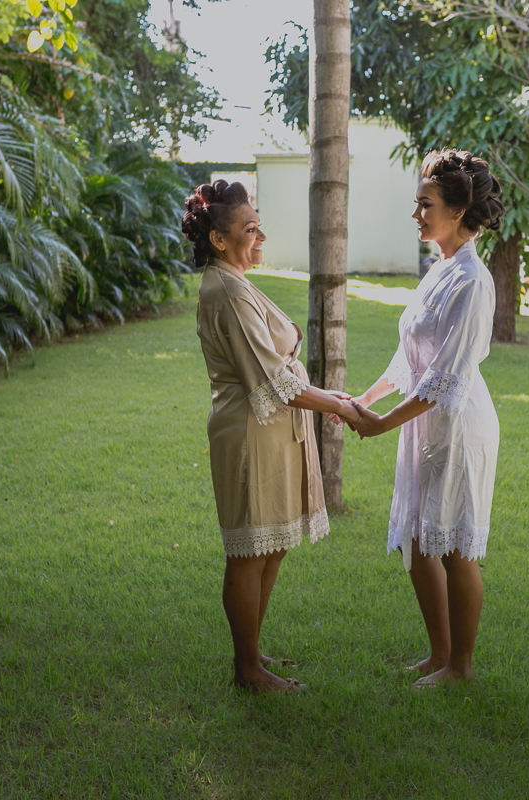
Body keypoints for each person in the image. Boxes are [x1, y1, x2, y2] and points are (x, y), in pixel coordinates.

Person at [183, 180, 360, 693]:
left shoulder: (235, 281)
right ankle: (247, 670)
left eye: (258, 224)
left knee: (273, 543)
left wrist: (328, 401)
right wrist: (340, 405)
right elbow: (275, 381)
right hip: (250, 431)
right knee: (249, 550)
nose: (258, 235)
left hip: (273, 430)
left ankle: (252, 651)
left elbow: (280, 374)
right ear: (218, 239)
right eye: (248, 228)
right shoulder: (226, 290)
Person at [349, 150, 503, 687]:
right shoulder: (438, 269)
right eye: (417, 203)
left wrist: (380, 423)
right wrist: (366, 398)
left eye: (426, 204)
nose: (417, 214)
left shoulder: (472, 281)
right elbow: (410, 356)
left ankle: (461, 667)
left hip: (457, 424)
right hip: (423, 422)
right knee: (418, 546)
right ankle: (439, 654)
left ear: (459, 211)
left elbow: (445, 378)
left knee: (455, 547)